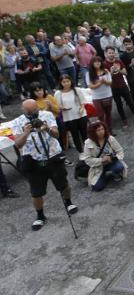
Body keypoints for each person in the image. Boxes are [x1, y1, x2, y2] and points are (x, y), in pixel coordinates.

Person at [14, 99, 78, 231]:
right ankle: (40, 216)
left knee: (63, 184)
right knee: (36, 192)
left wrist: (47, 128)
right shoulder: (17, 122)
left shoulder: (47, 115)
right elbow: (18, 144)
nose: (32, 114)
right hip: (33, 160)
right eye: (29, 112)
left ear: (38, 107)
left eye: (34, 111)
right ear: (23, 110)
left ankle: (68, 203)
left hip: (53, 156)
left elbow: (57, 134)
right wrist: (26, 132)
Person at [103, 47, 134, 129]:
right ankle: (124, 120)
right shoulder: (104, 64)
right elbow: (105, 79)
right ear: (106, 54)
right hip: (113, 87)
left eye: (113, 52)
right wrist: (111, 72)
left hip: (123, 85)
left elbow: (125, 73)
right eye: (109, 53)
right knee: (119, 105)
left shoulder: (118, 61)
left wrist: (119, 70)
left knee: (131, 102)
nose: (111, 54)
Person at [81, 121, 127, 192]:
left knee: (119, 167)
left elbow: (120, 151)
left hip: (111, 162)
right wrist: (101, 160)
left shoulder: (110, 138)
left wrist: (113, 158)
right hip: (98, 166)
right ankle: (103, 176)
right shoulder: (88, 143)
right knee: (97, 187)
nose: (101, 131)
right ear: (93, 132)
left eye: (102, 129)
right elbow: (87, 159)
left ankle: (115, 173)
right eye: (98, 130)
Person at [54, 74, 88, 154]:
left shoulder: (76, 90)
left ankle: (89, 150)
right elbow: (58, 106)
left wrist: (82, 108)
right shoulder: (58, 93)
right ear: (61, 83)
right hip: (69, 118)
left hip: (81, 115)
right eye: (64, 82)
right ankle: (81, 152)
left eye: (68, 81)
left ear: (71, 81)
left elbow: (83, 102)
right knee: (75, 135)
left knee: (85, 134)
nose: (66, 83)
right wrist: (63, 108)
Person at [86, 56, 114, 134]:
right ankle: (103, 131)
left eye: (99, 61)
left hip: (108, 95)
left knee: (108, 114)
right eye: (95, 62)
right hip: (97, 97)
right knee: (100, 115)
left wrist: (104, 81)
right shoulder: (89, 74)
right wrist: (100, 83)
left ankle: (109, 130)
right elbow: (91, 86)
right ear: (92, 64)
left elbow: (110, 83)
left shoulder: (106, 71)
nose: (97, 63)